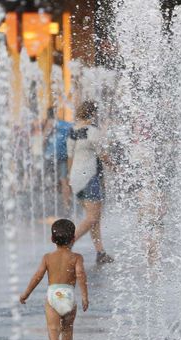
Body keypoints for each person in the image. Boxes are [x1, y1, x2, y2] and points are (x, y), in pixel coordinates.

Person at [19, 219, 89, 340]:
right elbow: (81, 275)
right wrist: (84, 296)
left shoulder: (47, 257)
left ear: (52, 239)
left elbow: (37, 277)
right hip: (69, 295)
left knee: (53, 327)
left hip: (53, 296)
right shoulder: (76, 258)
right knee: (68, 328)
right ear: (73, 239)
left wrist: (25, 294)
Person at [67, 101, 114, 264]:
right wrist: (115, 167)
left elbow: (70, 156)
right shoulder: (93, 131)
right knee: (92, 217)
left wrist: (69, 177)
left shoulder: (73, 131)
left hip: (76, 178)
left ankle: (100, 252)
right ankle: (68, 244)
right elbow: (103, 155)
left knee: (94, 216)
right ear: (92, 114)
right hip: (89, 178)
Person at [44, 108, 74, 214]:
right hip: (64, 154)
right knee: (64, 180)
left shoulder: (50, 122)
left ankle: (51, 205)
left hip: (51, 155)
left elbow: (45, 137)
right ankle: (67, 205)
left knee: (49, 179)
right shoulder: (66, 124)